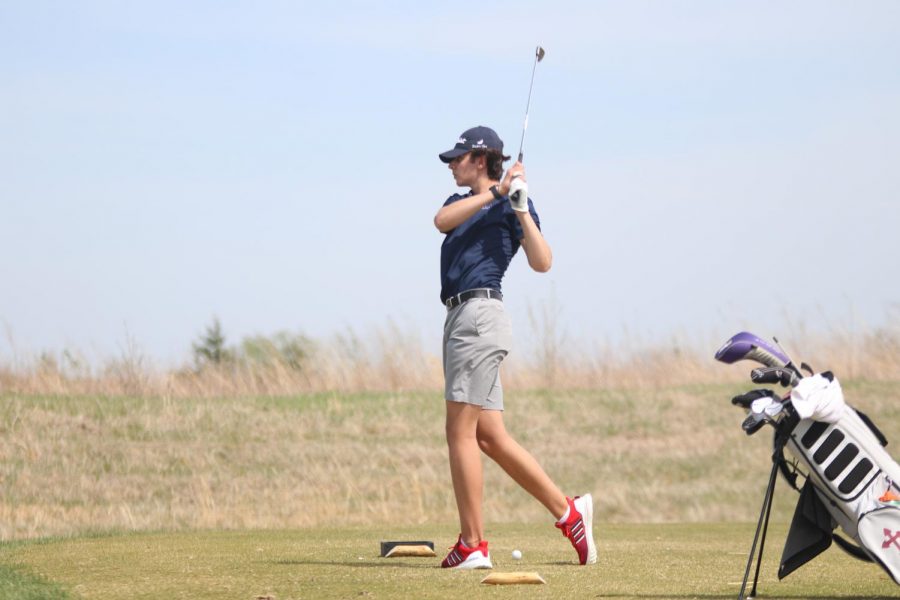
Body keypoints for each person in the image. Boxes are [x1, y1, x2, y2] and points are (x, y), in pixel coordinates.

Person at [434, 125, 597, 569]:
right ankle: (569, 513)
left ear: (482, 159)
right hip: (462, 321)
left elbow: (542, 262)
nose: (452, 164)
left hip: (479, 318)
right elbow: (440, 222)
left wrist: (520, 207)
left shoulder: (511, 206)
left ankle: (473, 544)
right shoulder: (462, 203)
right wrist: (495, 194)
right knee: (489, 435)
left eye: (459, 158)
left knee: (459, 432)